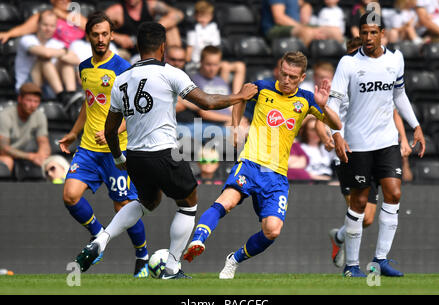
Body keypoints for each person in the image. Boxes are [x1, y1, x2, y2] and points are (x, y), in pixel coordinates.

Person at [73, 21, 257, 279]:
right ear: (163, 47)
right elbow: (206, 101)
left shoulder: (121, 80)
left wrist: (118, 157)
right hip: (164, 152)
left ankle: (100, 240)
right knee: (189, 203)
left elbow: (111, 129)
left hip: (135, 157)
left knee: (148, 202)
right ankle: (171, 267)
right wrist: (240, 96)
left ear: (138, 47)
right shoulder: (170, 72)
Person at [183, 51, 342, 279]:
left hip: (276, 174)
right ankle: (198, 240)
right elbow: (240, 98)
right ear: (279, 68)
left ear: (302, 77)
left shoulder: (307, 100)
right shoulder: (263, 87)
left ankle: (234, 259)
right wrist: (236, 126)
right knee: (227, 201)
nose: (286, 80)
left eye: (293, 77)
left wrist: (323, 106)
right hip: (251, 163)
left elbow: (336, 124)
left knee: (272, 230)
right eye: (284, 74)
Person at [327, 12, 426, 277]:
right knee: (359, 204)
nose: (368, 37)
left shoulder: (396, 59)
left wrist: (415, 126)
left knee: (393, 193)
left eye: (373, 32)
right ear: (359, 33)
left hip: (386, 141)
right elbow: (332, 104)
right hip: (357, 144)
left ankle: (380, 259)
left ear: (382, 32)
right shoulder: (348, 63)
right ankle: (351, 266)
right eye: (364, 32)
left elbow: (399, 94)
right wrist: (336, 133)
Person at [58, 12, 150, 278]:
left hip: (115, 150)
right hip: (87, 148)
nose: (100, 39)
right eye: (95, 34)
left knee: (123, 207)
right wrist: (73, 133)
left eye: (105, 34)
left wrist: (114, 130)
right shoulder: (84, 67)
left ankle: (142, 255)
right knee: (70, 196)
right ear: (88, 36)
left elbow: (134, 109)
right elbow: (89, 106)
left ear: (111, 35)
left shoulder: (122, 67)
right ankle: (98, 235)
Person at [14, 10, 80, 103]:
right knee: (44, 60)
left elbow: (76, 60)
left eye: (52, 26)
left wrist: (61, 54)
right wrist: (64, 52)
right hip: (26, 87)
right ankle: (62, 96)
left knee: (66, 62)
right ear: (38, 24)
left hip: (49, 88)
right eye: (45, 25)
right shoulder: (27, 39)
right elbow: (46, 54)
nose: (48, 29)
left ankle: (70, 95)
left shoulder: (56, 44)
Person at [186, 0, 247, 94]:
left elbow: (216, 49)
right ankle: (222, 96)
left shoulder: (214, 28)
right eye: (200, 16)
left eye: (206, 16)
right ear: (195, 16)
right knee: (225, 67)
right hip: (199, 62)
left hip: (213, 59)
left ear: (210, 16)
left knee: (240, 66)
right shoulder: (193, 29)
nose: (203, 19)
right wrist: (187, 62)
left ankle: (235, 96)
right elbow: (190, 48)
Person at [0, 83, 50, 176]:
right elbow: (3, 149)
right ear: (20, 99)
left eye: (36, 101)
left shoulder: (39, 115)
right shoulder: (5, 116)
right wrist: (30, 156)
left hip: (21, 155)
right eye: (29, 100)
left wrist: (41, 155)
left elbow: (44, 142)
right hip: (3, 155)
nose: (32, 105)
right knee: (7, 162)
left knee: (53, 164)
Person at [105, 0, 184, 59]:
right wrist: (116, 37)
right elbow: (96, 27)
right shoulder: (116, 11)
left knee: (172, 29)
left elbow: (178, 14)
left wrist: (155, 27)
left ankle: (175, 61)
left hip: (150, 49)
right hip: (127, 52)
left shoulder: (151, 5)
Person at [0, 0, 87, 47]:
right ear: (53, 1)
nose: (65, 1)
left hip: (79, 52)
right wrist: (8, 34)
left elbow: (91, 29)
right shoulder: (45, 16)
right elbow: (24, 28)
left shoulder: (75, 15)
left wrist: (63, 15)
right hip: (57, 53)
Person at [191, 46, 234, 140]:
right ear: (201, 62)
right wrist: (230, 120)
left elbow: (230, 105)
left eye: (215, 65)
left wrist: (238, 119)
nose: (212, 69)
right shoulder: (195, 81)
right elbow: (204, 112)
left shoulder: (221, 81)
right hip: (211, 124)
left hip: (229, 123)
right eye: (208, 64)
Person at [261, 0, 344, 46]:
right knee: (306, 32)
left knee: (335, 32)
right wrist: (305, 28)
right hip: (275, 28)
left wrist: (306, 6)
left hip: (297, 26)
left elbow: (301, 3)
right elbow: (279, 18)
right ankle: (303, 67)